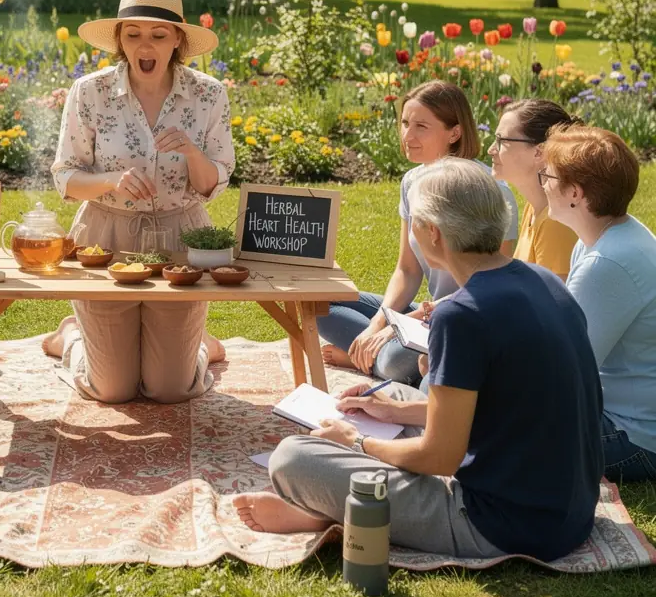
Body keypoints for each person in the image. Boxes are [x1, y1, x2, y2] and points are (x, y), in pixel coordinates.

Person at [233, 159, 603, 562]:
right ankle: (342, 501)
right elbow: (508, 403)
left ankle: (329, 511)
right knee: (389, 396)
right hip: (570, 511)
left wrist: (358, 442)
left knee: (293, 458)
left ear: (432, 233)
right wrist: (393, 413)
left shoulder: (462, 314)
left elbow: (438, 458)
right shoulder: (543, 280)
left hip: (501, 524)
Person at [42, 0, 235, 404]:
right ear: (120, 41)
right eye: (133, 35)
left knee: (170, 389)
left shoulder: (209, 95)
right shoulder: (88, 92)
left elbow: (212, 184)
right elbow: (66, 178)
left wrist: (190, 150)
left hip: (181, 241)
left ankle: (197, 345)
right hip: (104, 240)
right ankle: (72, 337)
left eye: (158, 35)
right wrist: (111, 181)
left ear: (178, 41)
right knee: (111, 389)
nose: (144, 46)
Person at [319, 81, 518, 383]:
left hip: (465, 319)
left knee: (392, 361)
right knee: (319, 304)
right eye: (405, 123)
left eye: (421, 126)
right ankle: (371, 352)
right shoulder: (412, 182)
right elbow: (407, 269)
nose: (407, 136)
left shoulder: (491, 192)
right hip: (427, 314)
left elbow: (486, 289)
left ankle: (366, 358)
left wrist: (393, 329)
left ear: (455, 132)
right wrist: (377, 324)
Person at [541, 125, 656, 481]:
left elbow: (563, 372)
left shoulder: (607, 262)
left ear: (574, 192)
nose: (542, 182)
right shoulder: (607, 236)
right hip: (619, 414)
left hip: (634, 436)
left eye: (547, 175)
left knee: (491, 432)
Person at [488, 99, 580, 279]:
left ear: (539, 152)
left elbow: (555, 302)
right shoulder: (535, 208)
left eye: (501, 140)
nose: (491, 149)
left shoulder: (555, 222)